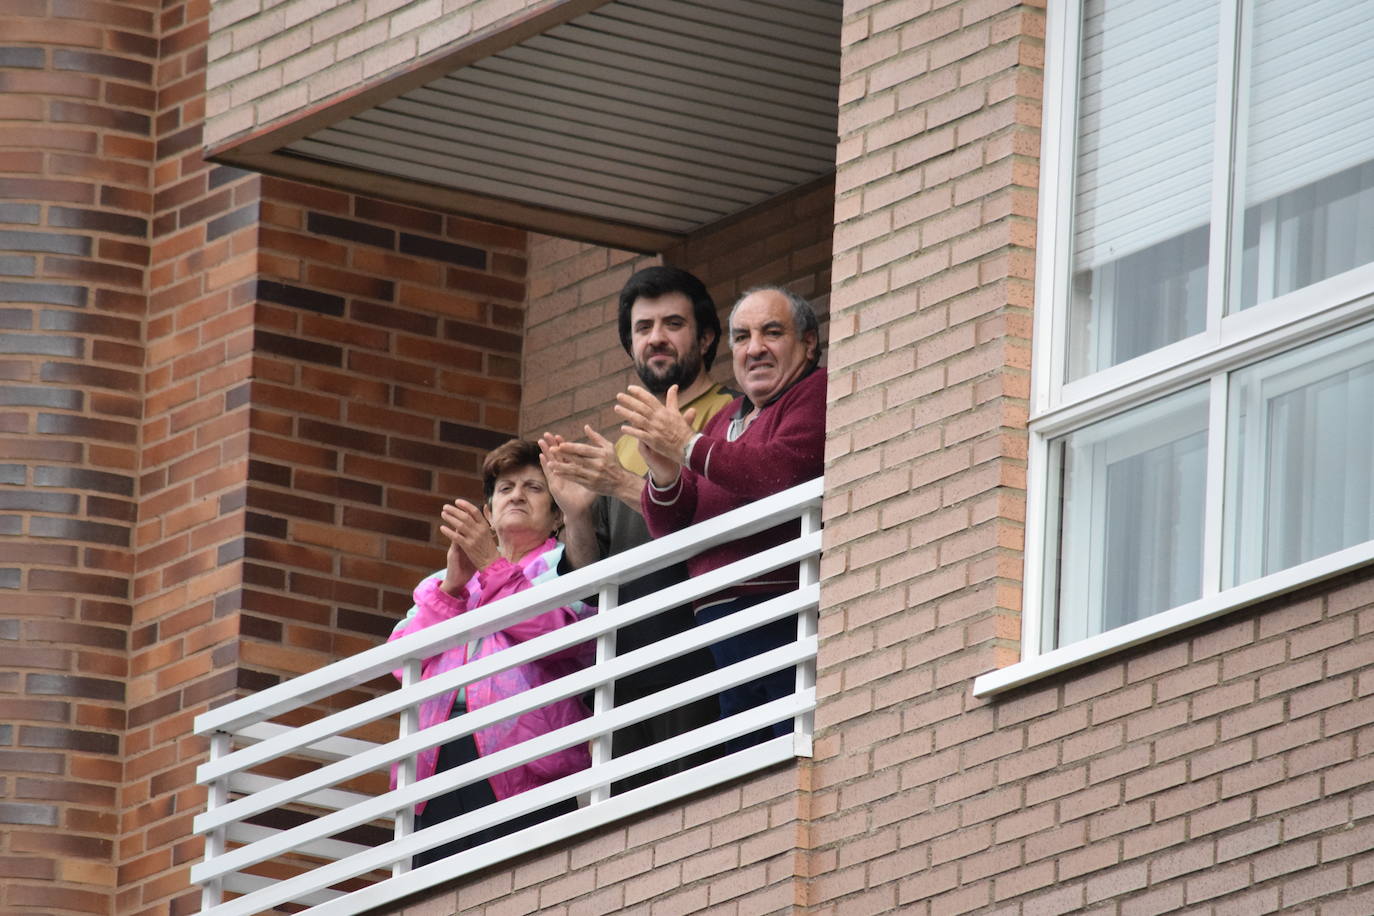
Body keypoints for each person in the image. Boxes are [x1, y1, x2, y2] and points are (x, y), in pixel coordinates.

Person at [538, 265, 735, 793]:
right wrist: (577, 513)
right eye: (644, 327)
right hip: (623, 674)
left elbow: (714, 521)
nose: (657, 338)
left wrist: (621, 483)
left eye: (673, 323)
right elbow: (585, 574)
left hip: (696, 657)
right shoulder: (621, 445)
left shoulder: (728, 418)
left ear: (707, 336)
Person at [616, 285, 826, 752]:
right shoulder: (726, 417)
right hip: (718, 622)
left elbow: (779, 471)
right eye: (743, 336)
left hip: (778, 609)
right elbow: (671, 523)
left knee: (781, 755)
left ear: (808, 344)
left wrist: (687, 446)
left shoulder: (816, 391)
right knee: (743, 770)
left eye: (772, 333)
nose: (755, 349)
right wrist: (665, 471)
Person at [389, 439, 593, 867]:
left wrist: (492, 566)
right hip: (437, 758)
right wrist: (451, 589)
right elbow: (400, 663)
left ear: (556, 515)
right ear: (487, 512)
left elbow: (559, 636)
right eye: (505, 488)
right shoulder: (443, 581)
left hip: (525, 762)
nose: (517, 494)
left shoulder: (563, 565)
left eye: (534, 488)